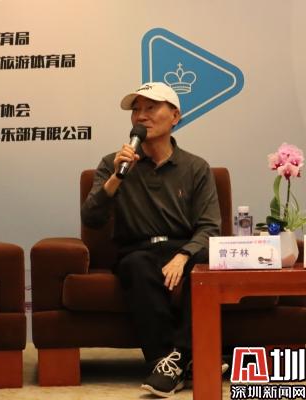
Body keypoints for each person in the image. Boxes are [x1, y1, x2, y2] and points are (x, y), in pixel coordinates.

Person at [80, 82, 221, 397]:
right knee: (137, 265)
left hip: (183, 248)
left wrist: (184, 255)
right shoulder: (112, 164)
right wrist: (117, 177)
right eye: (136, 110)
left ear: (175, 116)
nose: (141, 116)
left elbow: (209, 227)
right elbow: (91, 218)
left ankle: (174, 362)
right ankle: (173, 362)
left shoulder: (195, 167)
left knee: (203, 267)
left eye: (150, 108)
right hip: (138, 249)